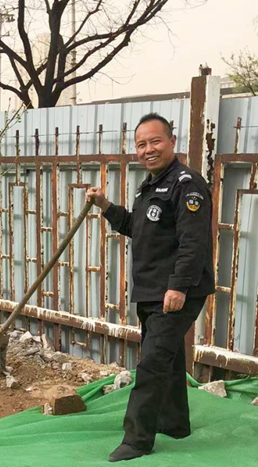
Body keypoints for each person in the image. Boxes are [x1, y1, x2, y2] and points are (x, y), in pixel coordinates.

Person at [86, 113, 215, 462]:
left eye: (155, 141)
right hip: (152, 290)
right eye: (141, 144)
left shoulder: (187, 185)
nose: (148, 149)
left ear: (172, 141)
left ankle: (137, 440)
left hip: (175, 291)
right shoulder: (150, 185)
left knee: (152, 363)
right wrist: (106, 206)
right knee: (167, 359)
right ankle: (175, 423)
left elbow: (194, 242)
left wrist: (178, 287)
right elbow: (138, 228)